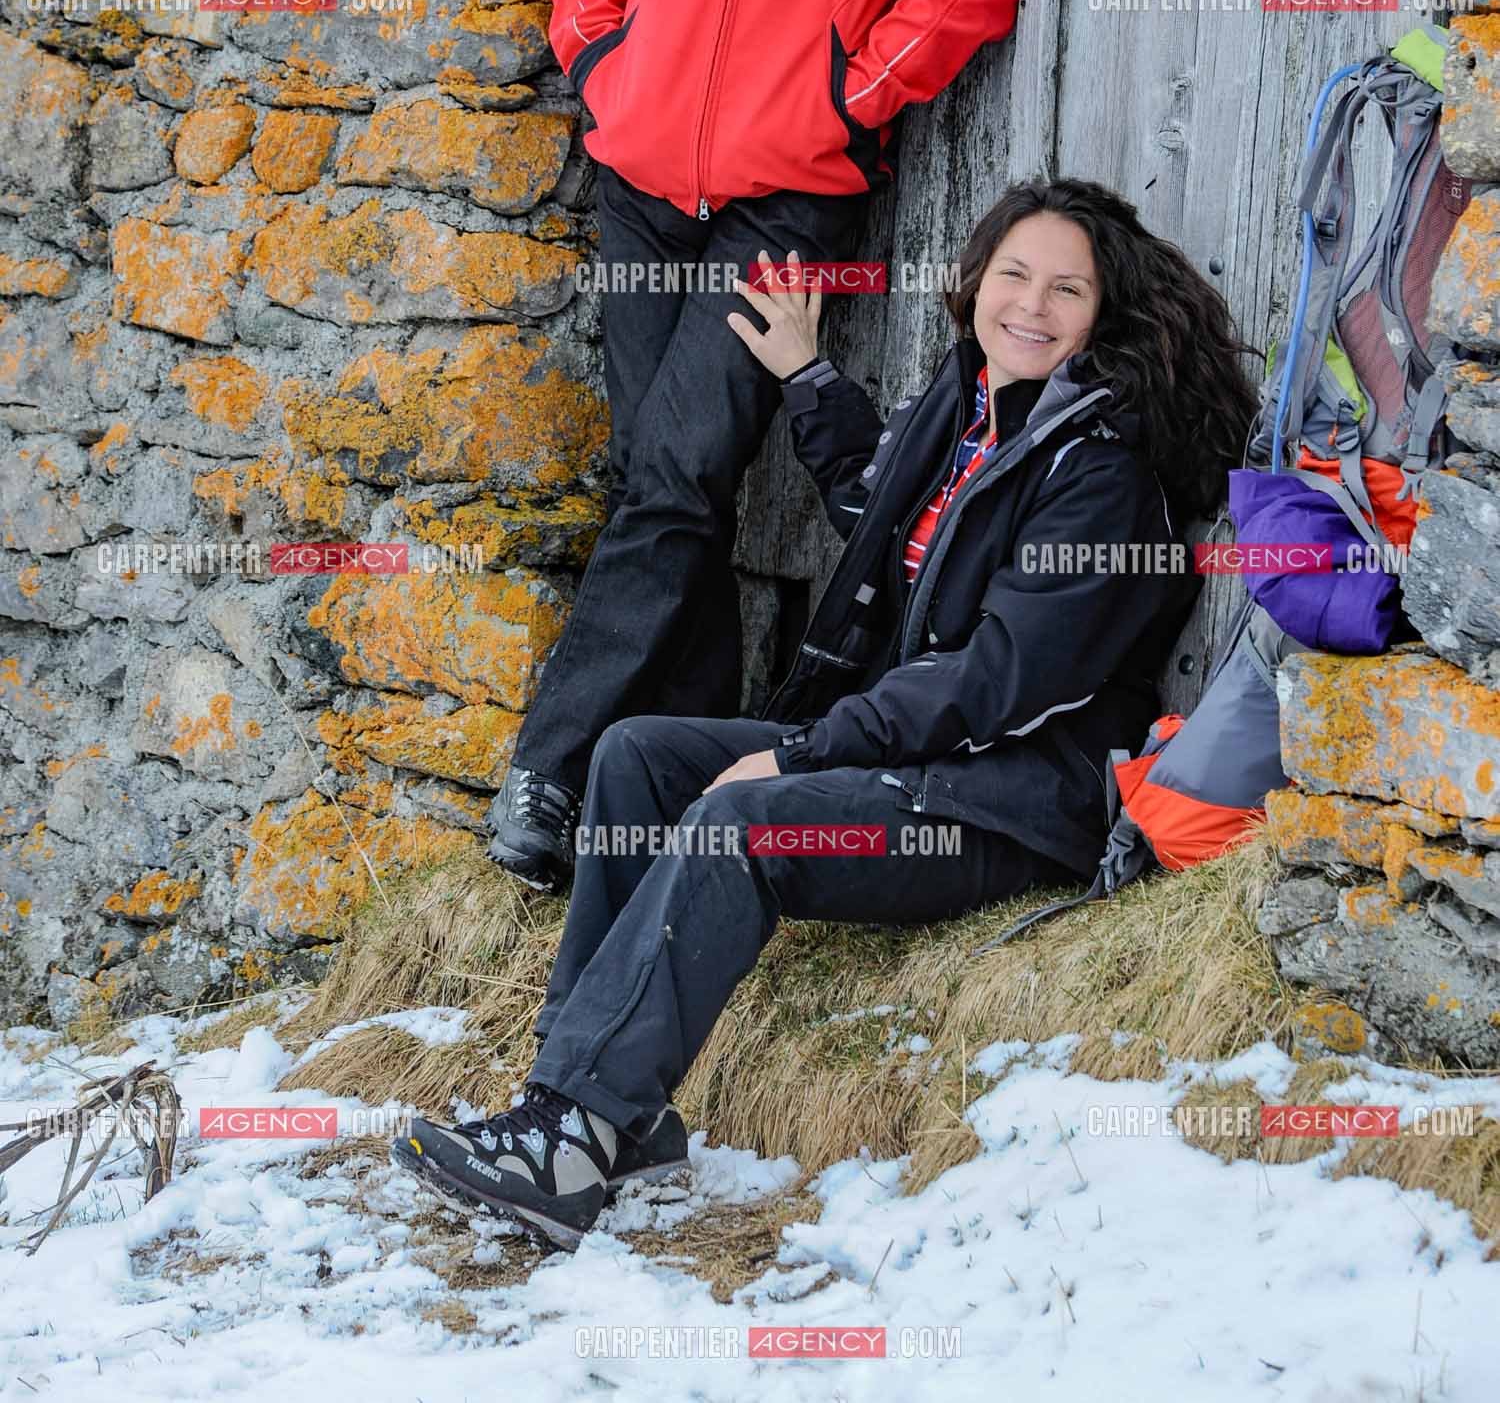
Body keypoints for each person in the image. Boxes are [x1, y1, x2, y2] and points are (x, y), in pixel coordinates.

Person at [395, 179, 1260, 1249]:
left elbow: (995, 681)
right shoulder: (974, 409)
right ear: (976, 282)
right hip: (924, 757)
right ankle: (590, 1110)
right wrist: (808, 378)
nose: (1033, 304)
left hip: (1010, 801)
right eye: (1015, 274)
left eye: (1067, 289)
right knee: (638, 756)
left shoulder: (1103, 478)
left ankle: (572, 1134)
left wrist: (803, 752)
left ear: (1105, 313)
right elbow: (891, 511)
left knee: (742, 825)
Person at [485, 0, 1023, 890]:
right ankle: (677, 775)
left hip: (788, 201)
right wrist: (602, 59)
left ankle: (550, 771)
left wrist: (850, 93)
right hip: (642, 185)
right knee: (683, 487)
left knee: (671, 476)